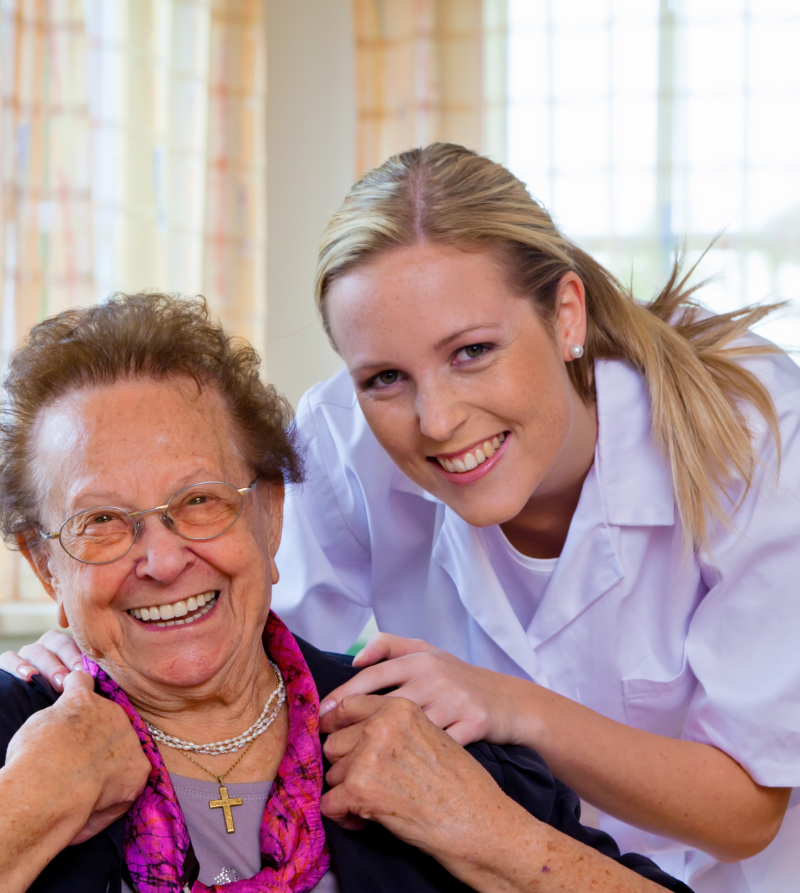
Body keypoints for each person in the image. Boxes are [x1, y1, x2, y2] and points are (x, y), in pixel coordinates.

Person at [6, 143, 799, 891]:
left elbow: (746, 810)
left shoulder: (758, 431)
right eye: (385, 375)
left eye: (473, 351)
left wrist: (507, 714)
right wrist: (88, 634)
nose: (438, 419)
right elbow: (223, 627)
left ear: (566, 315)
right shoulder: (343, 440)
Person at [0, 293, 692, 893]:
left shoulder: (414, 730)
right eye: (101, 523)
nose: (162, 558)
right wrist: (28, 808)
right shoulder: (18, 744)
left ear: (269, 515)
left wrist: (482, 830)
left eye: (201, 500)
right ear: (44, 563)